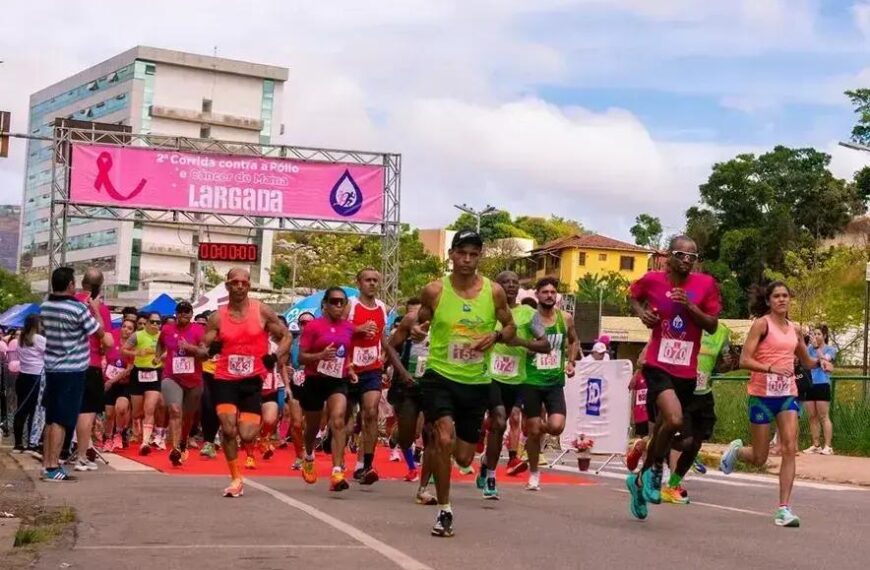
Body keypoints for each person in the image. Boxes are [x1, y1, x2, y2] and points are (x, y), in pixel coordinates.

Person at [414, 229, 516, 537]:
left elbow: (510, 326)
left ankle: (455, 456)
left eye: (474, 254)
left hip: (476, 382)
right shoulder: (434, 290)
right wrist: (418, 330)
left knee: (462, 457)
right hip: (440, 376)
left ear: (479, 256)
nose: (467, 260)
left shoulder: (494, 292)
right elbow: (420, 320)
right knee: (443, 438)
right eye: (462, 253)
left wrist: (497, 335)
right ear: (451, 255)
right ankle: (445, 511)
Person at [720, 282, 832, 528]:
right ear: (769, 301)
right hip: (761, 395)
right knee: (759, 457)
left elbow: (805, 360)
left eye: (785, 296)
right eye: (776, 296)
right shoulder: (762, 324)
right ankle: (737, 451)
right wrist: (771, 368)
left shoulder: (794, 329)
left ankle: (784, 508)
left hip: (787, 395)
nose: (782, 300)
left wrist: (820, 362)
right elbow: (744, 359)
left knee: (789, 447)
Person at [625, 235, 721, 521]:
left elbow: (713, 325)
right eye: (681, 254)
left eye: (692, 256)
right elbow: (633, 296)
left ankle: (640, 478)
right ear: (669, 256)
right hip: (657, 364)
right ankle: (655, 470)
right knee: (675, 419)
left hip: (687, 371)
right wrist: (642, 313)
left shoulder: (705, 285)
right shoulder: (653, 280)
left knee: (666, 427)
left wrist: (690, 307)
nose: (687, 260)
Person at [202, 268, 290, 497]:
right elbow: (202, 350)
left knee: (247, 434)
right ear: (227, 285)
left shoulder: (261, 310)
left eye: (244, 282)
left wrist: (276, 356)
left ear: (248, 285)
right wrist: (210, 349)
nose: (240, 286)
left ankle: (257, 441)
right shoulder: (217, 317)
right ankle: (235, 478)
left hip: (252, 380)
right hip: (224, 379)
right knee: (229, 429)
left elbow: (286, 337)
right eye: (235, 282)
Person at [477, 271, 550, 499]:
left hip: (516, 379)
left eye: (514, 282)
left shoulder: (529, 314)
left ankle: (486, 462)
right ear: (496, 287)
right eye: (505, 282)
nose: (510, 286)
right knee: (499, 421)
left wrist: (521, 342)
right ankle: (491, 476)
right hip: (488, 375)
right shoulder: (486, 311)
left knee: (501, 423)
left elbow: (545, 344)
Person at [40, 267, 111, 481]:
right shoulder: (78, 309)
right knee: (63, 419)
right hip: (73, 369)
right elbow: (99, 333)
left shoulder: (45, 306)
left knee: (51, 418)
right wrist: (96, 310)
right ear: (71, 284)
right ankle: (54, 467)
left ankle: (47, 464)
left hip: (52, 368)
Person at [347, 269, 406, 485]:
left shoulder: (382, 307)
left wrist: (384, 356)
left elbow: (383, 336)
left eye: (375, 280)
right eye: (368, 280)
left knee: (370, 413)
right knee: (345, 419)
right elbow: (340, 330)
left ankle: (366, 465)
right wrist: (358, 329)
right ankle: (334, 447)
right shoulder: (351, 305)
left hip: (371, 368)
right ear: (359, 283)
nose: (372, 284)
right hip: (349, 368)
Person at [661, 323, 731, 504]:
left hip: (704, 395)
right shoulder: (684, 324)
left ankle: (673, 482)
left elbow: (723, 363)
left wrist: (727, 362)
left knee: (695, 445)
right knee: (685, 440)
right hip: (683, 392)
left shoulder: (722, 331)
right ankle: (667, 482)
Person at [298, 287, 358, 492]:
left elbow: (345, 353)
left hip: (337, 381)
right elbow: (301, 357)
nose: (338, 306)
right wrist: (320, 356)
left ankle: (337, 470)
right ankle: (308, 454)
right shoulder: (313, 327)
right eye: (334, 301)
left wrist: (349, 368)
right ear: (324, 304)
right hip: (315, 379)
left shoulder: (349, 327)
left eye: (342, 302)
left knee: (338, 419)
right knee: (312, 427)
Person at [522, 277, 579, 492]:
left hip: (554, 381)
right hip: (531, 380)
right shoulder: (529, 319)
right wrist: (530, 348)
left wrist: (571, 362)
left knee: (556, 427)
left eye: (553, 292)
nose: (549, 295)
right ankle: (534, 474)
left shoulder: (565, 318)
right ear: (537, 294)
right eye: (544, 292)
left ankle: (533, 432)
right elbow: (519, 343)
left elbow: (574, 340)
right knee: (535, 431)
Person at [388, 298, 437, 503]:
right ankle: (398, 435)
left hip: (435, 385)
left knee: (432, 434)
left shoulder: (452, 322)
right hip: (409, 386)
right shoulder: (410, 320)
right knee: (409, 436)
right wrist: (402, 372)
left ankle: (423, 488)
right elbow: (390, 347)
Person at [70, 268, 114, 472]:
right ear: (99, 286)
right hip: (91, 363)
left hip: (68, 363)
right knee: (86, 413)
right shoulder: (100, 308)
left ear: (81, 282)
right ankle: (81, 455)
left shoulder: (69, 304)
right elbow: (107, 342)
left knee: (67, 409)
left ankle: (59, 453)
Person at [156, 301, 206, 467]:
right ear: (176, 313)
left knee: (188, 417)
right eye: (180, 311)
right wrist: (158, 356)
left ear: (191, 314)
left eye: (187, 312)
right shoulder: (167, 329)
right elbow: (160, 343)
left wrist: (189, 347)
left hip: (194, 380)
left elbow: (205, 354)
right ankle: (175, 449)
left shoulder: (198, 330)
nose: (183, 314)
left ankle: (183, 440)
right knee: (175, 410)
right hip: (172, 377)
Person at [125, 312, 165, 456]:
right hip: (138, 373)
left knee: (149, 409)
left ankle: (145, 442)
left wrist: (160, 356)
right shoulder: (137, 335)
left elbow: (169, 352)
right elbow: (124, 349)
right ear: (146, 322)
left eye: (158, 322)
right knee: (137, 412)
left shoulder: (162, 336)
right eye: (152, 322)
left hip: (154, 374)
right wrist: (137, 352)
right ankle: (137, 428)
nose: (155, 325)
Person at [13, 314, 45, 453]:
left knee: (21, 409)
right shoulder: (38, 339)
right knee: (35, 411)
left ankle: (18, 443)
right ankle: (33, 442)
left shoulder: (19, 339)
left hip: (23, 376)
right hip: (36, 377)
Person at [102, 319, 135, 452]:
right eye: (124, 327)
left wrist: (113, 380)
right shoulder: (112, 337)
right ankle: (108, 438)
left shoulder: (134, 346)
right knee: (109, 414)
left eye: (130, 328)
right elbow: (103, 354)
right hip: (108, 381)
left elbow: (129, 368)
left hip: (124, 384)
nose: (126, 330)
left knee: (121, 408)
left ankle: (119, 433)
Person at [286, 311, 314, 470]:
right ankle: (299, 456)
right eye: (303, 323)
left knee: (309, 423)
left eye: (309, 322)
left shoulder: (320, 342)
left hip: (313, 385)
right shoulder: (293, 343)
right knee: (296, 423)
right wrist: (287, 374)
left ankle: (309, 451)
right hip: (295, 386)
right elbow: (282, 364)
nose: (306, 326)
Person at [803, 326, 836, 455]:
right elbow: (805, 362)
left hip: (823, 383)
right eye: (814, 334)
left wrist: (817, 349)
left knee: (823, 416)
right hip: (810, 383)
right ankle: (816, 444)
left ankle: (828, 446)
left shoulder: (830, 349)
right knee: (812, 416)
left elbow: (825, 362)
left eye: (819, 334)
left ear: (825, 336)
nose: (816, 336)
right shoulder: (808, 349)